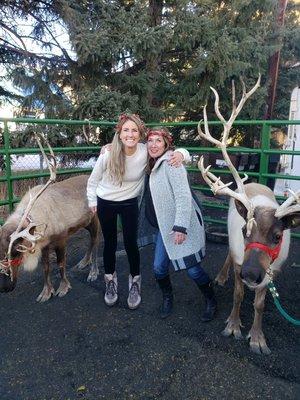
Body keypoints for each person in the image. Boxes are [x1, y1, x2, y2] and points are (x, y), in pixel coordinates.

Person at [86, 114, 189, 310]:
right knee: (110, 243)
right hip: (105, 201)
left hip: (129, 202)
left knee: (131, 243)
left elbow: (167, 151)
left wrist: (183, 154)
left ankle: (135, 282)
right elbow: (93, 181)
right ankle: (110, 281)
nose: (130, 134)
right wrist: (92, 201)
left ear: (140, 134)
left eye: (134, 130)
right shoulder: (108, 154)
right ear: (119, 132)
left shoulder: (145, 151)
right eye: (126, 130)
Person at [139, 127, 217, 321]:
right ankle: (167, 297)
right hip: (162, 228)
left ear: (166, 144)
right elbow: (127, 147)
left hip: (179, 226)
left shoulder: (172, 163)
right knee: (158, 268)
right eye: (150, 140)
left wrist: (180, 227)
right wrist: (106, 148)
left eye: (158, 141)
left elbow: (183, 197)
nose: (153, 145)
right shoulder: (149, 162)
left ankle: (211, 298)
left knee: (192, 269)